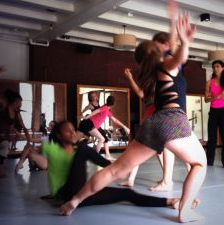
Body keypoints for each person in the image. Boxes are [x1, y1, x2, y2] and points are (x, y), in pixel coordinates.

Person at [60, 14, 206, 223]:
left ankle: (74, 201)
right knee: (200, 163)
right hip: (172, 120)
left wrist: (179, 40)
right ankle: (185, 211)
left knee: (114, 171)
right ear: (159, 52)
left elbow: (177, 59)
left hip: (153, 123)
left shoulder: (152, 73)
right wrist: (184, 42)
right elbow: (180, 58)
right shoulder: (166, 66)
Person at [41, 120, 181, 209]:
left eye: (73, 130)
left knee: (127, 193)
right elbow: (41, 160)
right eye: (68, 131)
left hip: (83, 195)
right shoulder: (53, 149)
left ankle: (168, 202)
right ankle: (115, 168)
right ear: (59, 136)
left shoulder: (76, 152)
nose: (73, 133)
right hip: (67, 194)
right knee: (84, 149)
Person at [119, 0, 179, 191]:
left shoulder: (166, 64)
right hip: (152, 110)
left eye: (157, 45)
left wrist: (173, 21)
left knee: (164, 147)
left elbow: (176, 50)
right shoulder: (152, 70)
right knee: (144, 146)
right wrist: (130, 78)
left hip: (162, 111)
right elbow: (141, 93)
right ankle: (133, 179)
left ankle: (167, 180)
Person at [78, 95, 130, 160]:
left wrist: (124, 127)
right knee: (102, 139)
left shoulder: (106, 110)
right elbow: (96, 111)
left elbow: (115, 120)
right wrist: (87, 117)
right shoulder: (105, 107)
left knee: (74, 139)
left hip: (86, 123)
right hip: (89, 124)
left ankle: (99, 155)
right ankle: (94, 157)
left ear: (107, 100)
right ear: (113, 104)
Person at [0, 89, 30, 177]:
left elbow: (24, 128)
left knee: (5, 147)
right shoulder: (5, 106)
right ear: (16, 101)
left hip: (3, 136)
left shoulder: (17, 113)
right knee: (5, 146)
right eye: (20, 101)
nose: (21, 104)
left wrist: (28, 141)